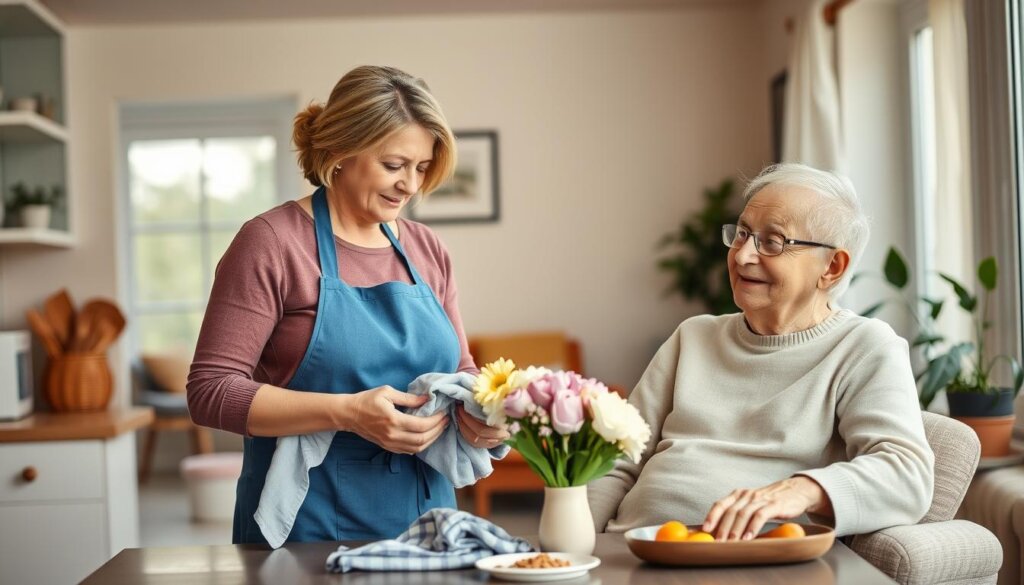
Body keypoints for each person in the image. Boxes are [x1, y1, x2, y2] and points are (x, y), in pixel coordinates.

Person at [187, 66, 508, 544]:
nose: (410, 186)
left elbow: (461, 369)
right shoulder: (271, 243)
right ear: (340, 152)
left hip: (430, 522)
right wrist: (348, 412)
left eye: (421, 168)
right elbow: (210, 391)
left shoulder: (427, 249)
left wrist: (483, 418)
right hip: (306, 523)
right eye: (394, 165)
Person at [588, 163, 935, 541]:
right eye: (742, 235)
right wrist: (571, 554)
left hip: (749, 564)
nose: (741, 257)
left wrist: (800, 490)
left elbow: (907, 474)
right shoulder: (693, 337)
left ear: (832, 267)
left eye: (772, 241)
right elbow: (615, 462)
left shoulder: (863, 347)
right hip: (632, 552)